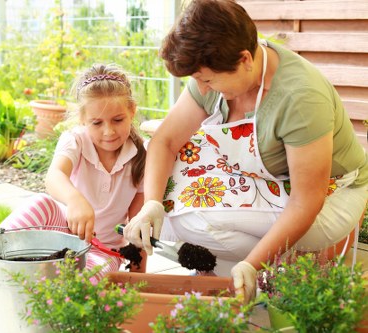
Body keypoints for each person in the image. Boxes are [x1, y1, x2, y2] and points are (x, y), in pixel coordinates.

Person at [123, 0, 367, 304]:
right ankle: (251, 270)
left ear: (245, 59)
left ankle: (260, 271)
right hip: (264, 177)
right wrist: (151, 205)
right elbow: (165, 141)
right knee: (169, 212)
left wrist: (253, 262)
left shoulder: (301, 99)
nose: (203, 88)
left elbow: (308, 199)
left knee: (197, 216)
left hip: (332, 193)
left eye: (208, 80)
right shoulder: (216, 66)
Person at [0, 63, 147, 328]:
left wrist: (141, 282)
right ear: (82, 120)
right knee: (39, 203)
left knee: (86, 286)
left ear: (132, 112)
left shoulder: (141, 156)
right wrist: (75, 200)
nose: (108, 131)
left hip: (103, 250)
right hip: (61, 229)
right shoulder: (76, 140)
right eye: (96, 122)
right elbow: (54, 176)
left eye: (118, 120)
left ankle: (44, 316)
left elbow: (137, 228)